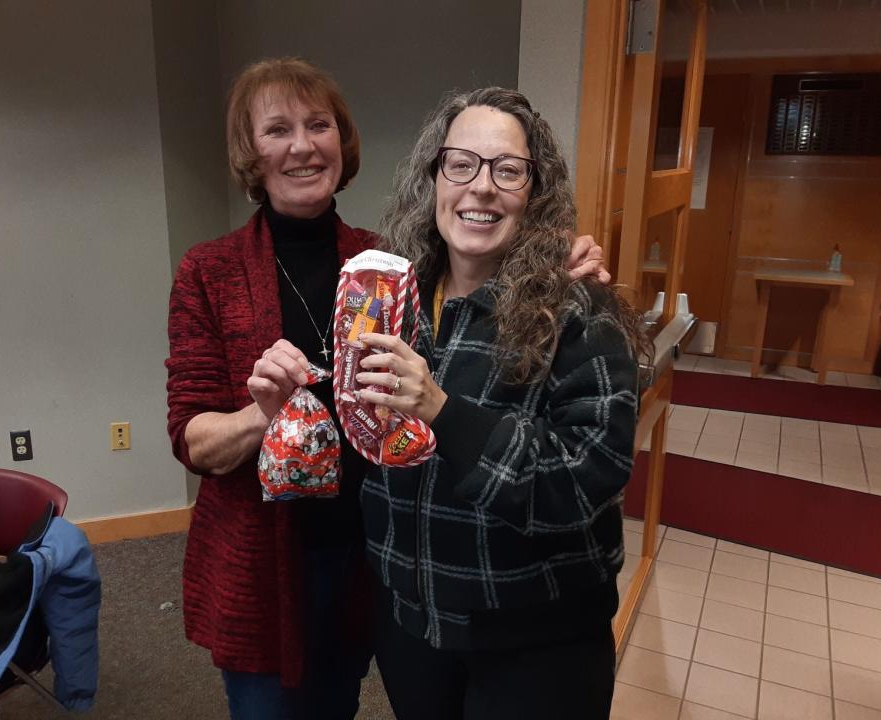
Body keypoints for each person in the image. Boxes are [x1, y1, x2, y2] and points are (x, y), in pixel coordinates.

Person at [165, 58, 610, 720]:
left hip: (374, 559)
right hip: (264, 565)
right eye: (277, 129)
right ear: (249, 153)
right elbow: (192, 438)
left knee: (340, 704)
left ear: (340, 143)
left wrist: (561, 254)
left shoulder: (391, 260)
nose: (301, 145)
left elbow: (481, 258)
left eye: (318, 125)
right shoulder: (210, 271)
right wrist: (261, 415)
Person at [354, 87, 647, 720]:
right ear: (432, 178)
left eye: (507, 171)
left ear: (534, 193)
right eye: (460, 164)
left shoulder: (580, 313)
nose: (481, 187)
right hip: (413, 625)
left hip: (536, 644)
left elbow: (584, 480)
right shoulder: (389, 299)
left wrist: (442, 409)